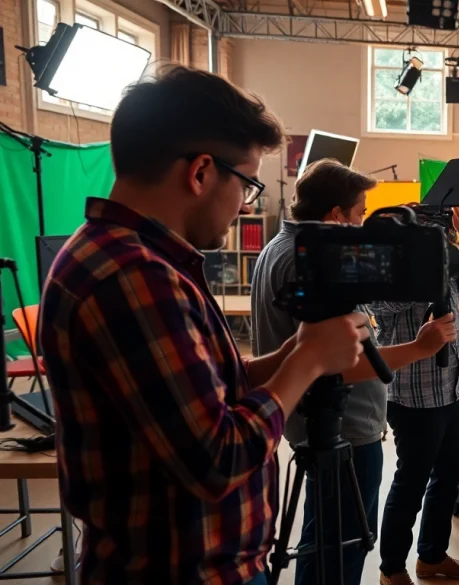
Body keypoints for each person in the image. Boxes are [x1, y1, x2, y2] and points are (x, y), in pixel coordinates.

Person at [37, 65, 371, 585]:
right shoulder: (133, 276)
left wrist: (291, 354)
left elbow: (206, 393)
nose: (245, 205)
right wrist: (306, 363)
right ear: (200, 172)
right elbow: (217, 457)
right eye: (248, 184)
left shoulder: (128, 257)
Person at [249, 158, 458, 585]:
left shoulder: (281, 248)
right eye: (361, 213)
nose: (364, 226)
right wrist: (421, 347)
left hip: (319, 421)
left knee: (323, 535)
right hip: (340, 429)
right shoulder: (311, 262)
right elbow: (338, 363)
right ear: (335, 216)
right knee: (338, 547)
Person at [375, 204, 459, 585]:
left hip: (453, 386)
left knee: (449, 476)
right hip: (414, 395)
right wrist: (423, 260)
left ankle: (432, 557)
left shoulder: (441, 253)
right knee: (411, 483)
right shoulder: (385, 264)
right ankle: (392, 570)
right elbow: (383, 304)